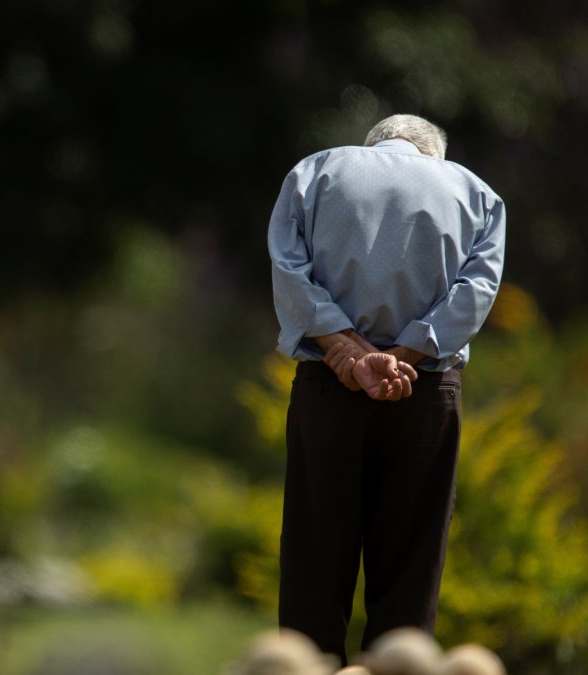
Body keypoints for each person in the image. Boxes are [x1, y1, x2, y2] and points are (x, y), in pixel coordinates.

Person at [267, 114, 506, 662]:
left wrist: (345, 349)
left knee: (312, 569)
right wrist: (403, 356)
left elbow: (288, 266)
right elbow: (477, 289)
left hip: (328, 389)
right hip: (423, 392)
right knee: (409, 576)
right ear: (433, 154)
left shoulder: (314, 173)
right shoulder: (478, 194)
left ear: (372, 144)